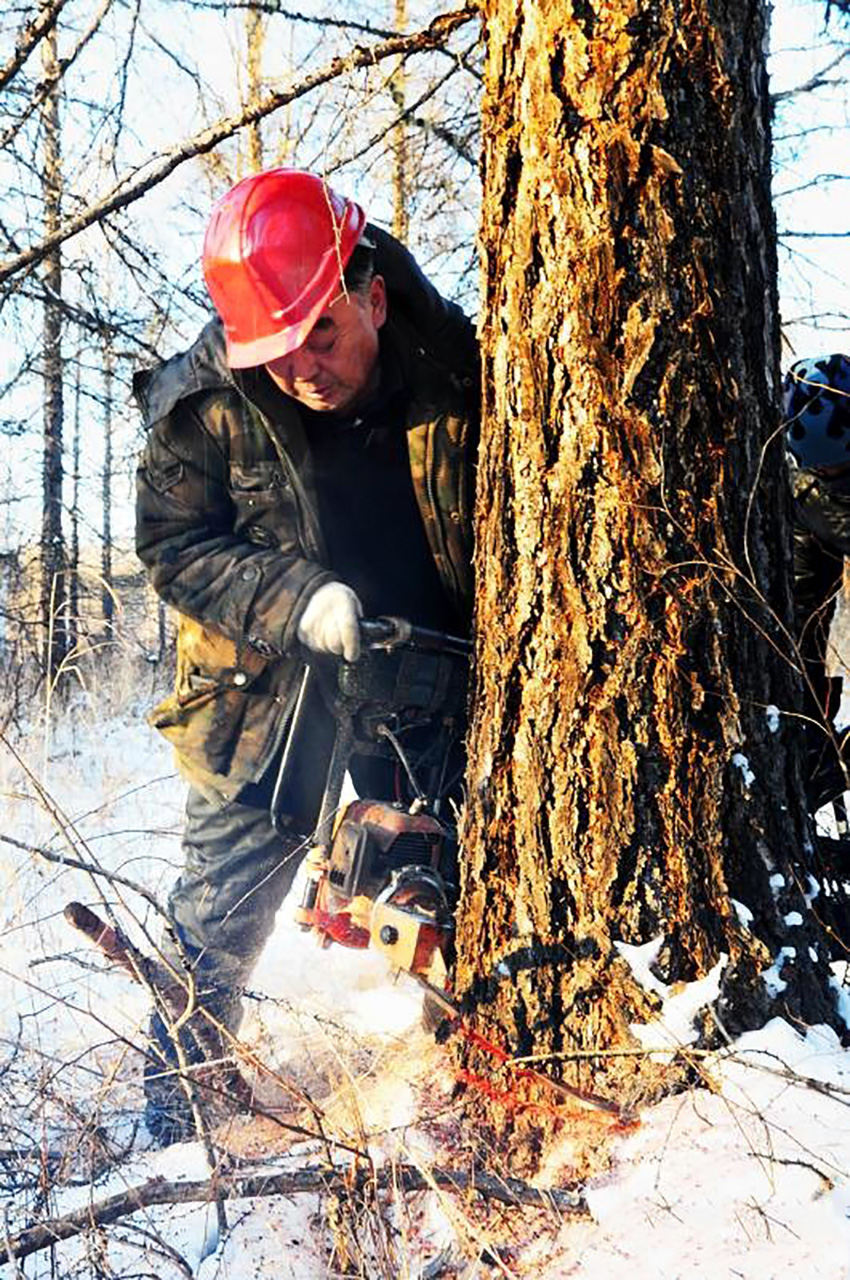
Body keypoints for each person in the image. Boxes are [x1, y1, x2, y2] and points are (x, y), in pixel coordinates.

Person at [134, 168, 478, 1143]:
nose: (304, 369)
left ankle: (454, 1097)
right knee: (214, 927)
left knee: (442, 889)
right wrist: (297, 598)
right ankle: (174, 1141)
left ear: (367, 290)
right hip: (263, 695)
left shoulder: (453, 358)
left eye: (321, 333)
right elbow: (173, 545)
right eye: (278, 353)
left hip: (427, 670)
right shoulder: (202, 400)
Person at [784, 352, 850, 813]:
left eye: (839, 469)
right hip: (811, 613)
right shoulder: (806, 490)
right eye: (824, 471)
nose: (831, 477)